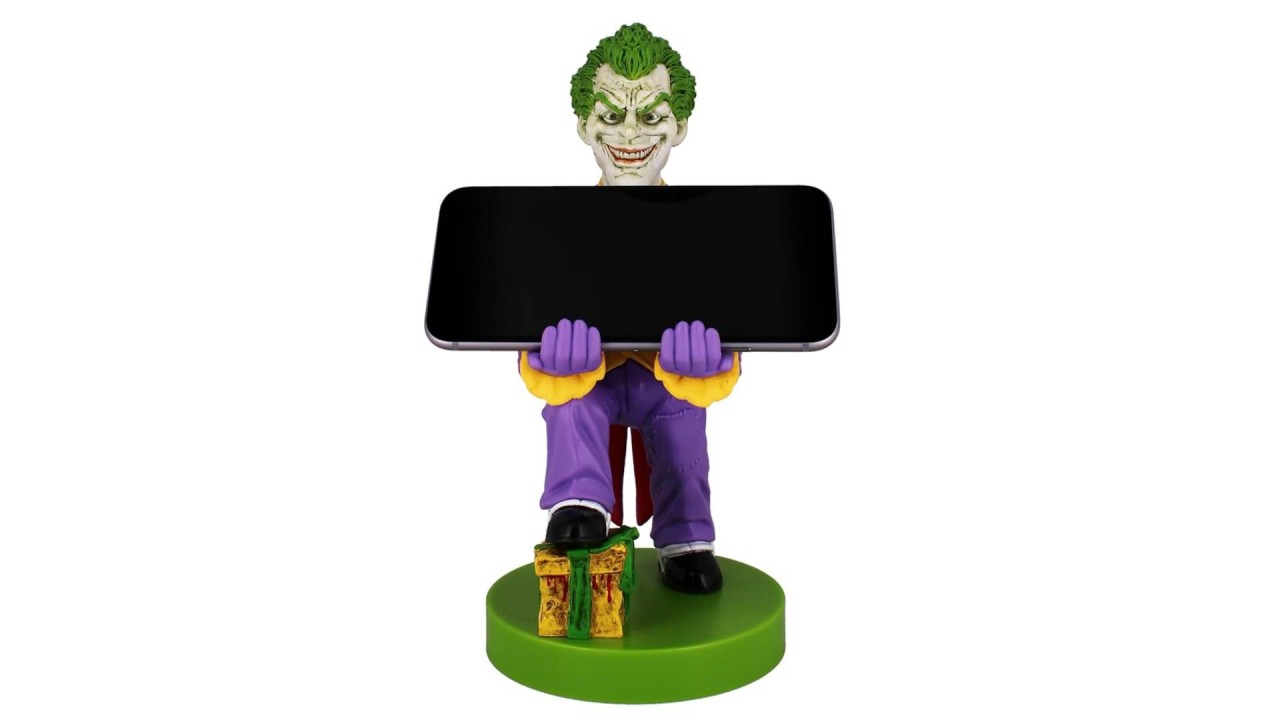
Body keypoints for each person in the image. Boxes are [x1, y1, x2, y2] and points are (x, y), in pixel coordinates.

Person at [517, 24, 740, 594]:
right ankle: (578, 504)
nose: (631, 133)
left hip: (664, 378)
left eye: (652, 116)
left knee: (683, 427)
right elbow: (528, 306)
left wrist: (712, 362)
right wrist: (546, 359)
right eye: (612, 116)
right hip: (591, 375)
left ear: (679, 126)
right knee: (571, 404)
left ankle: (686, 537)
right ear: (584, 125)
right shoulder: (556, 227)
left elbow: (733, 306)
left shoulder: (705, 228)